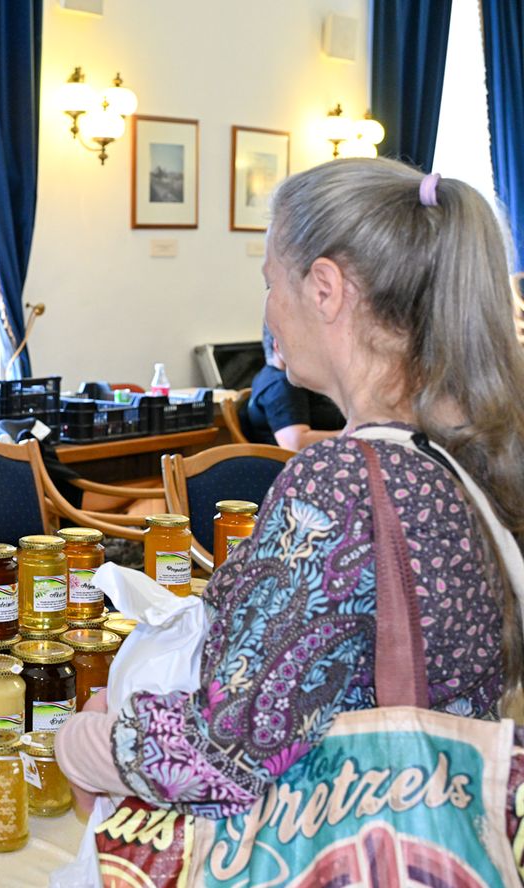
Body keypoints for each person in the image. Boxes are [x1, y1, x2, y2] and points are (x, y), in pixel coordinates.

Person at [56, 158, 524, 818]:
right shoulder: (467, 447)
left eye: (272, 281)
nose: (271, 307)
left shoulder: (343, 481)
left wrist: (89, 741)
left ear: (325, 288)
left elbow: (223, 759)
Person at [247, 324, 344, 449]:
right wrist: (358, 434)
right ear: (279, 347)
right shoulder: (280, 385)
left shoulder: (267, 376)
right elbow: (295, 443)